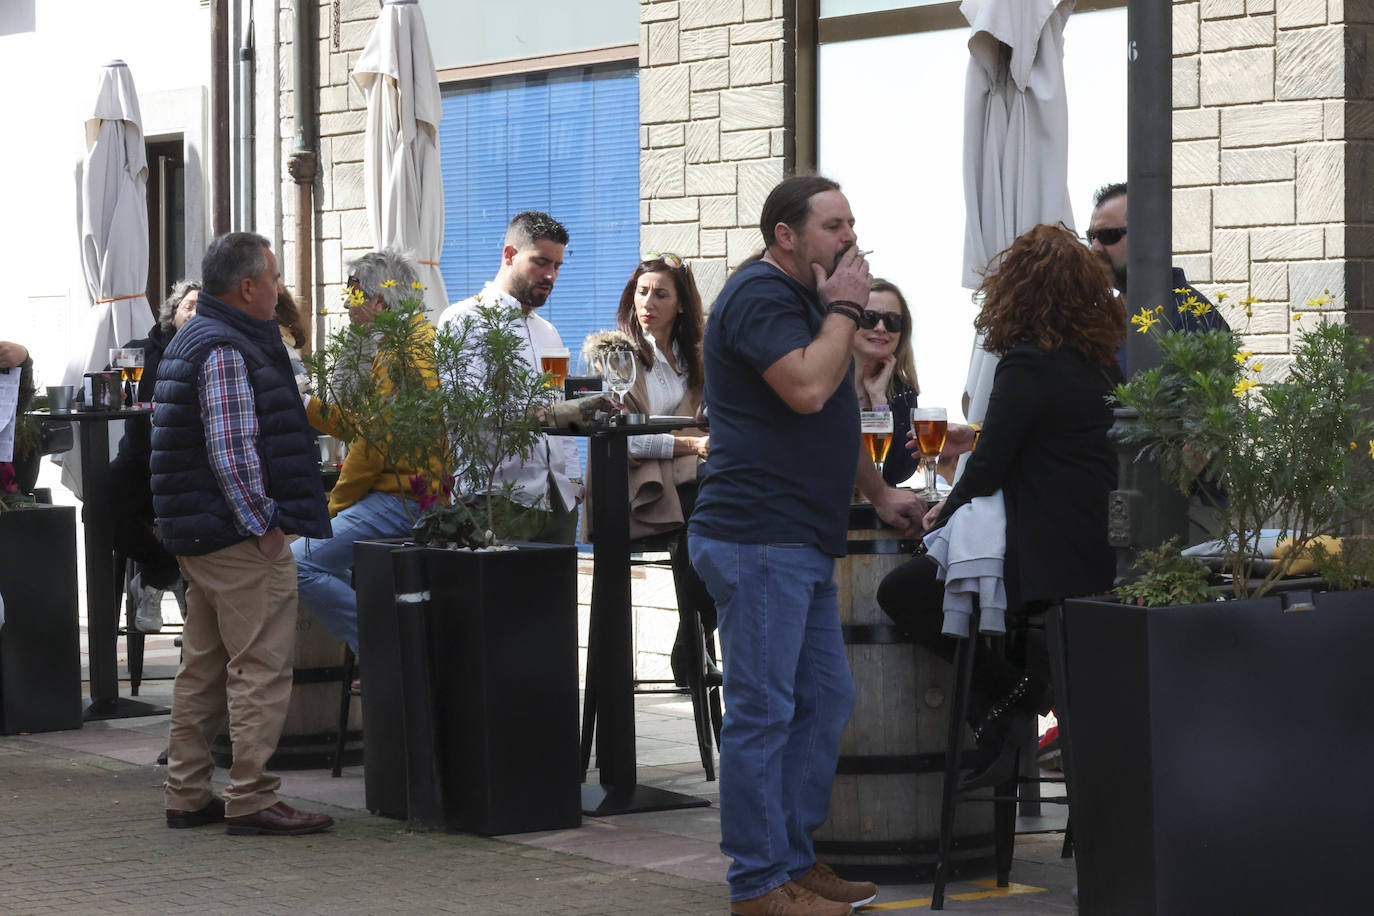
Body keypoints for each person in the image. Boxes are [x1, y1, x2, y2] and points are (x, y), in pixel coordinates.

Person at [688, 175, 925, 916]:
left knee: (824, 700)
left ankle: (792, 860)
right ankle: (757, 884)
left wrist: (881, 494)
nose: (849, 237)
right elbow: (806, 390)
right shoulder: (761, 296)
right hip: (755, 534)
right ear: (785, 236)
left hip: (796, 540)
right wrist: (847, 312)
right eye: (832, 225)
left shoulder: (809, 305)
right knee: (764, 710)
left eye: (852, 222)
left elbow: (835, 420)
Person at [878, 223, 1125, 789]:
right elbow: (1047, 441)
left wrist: (944, 509)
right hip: (1092, 550)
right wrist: (980, 439)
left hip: (1043, 557)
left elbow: (992, 467)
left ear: (1018, 290)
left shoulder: (1027, 360)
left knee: (904, 591)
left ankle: (1015, 699)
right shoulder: (1098, 362)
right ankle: (1021, 698)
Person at [151, 231, 334, 836]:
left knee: (202, 669)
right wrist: (265, 527)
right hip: (234, 536)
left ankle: (186, 793)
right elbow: (233, 453)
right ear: (248, 286)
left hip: (199, 532)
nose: (281, 289)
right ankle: (252, 797)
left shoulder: (197, 337)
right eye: (274, 279)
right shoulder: (227, 347)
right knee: (259, 667)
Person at [293, 249, 438, 655]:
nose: (345, 301)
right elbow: (369, 428)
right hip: (414, 490)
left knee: (294, 565)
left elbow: (374, 445)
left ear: (379, 301)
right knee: (320, 562)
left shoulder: (397, 352)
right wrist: (307, 407)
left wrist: (334, 507)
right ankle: (382, 650)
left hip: (402, 497)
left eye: (353, 293)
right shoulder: (413, 340)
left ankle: (385, 647)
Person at [438, 211, 581, 543]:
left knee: (556, 597)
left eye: (557, 266)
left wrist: (574, 485)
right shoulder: (463, 320)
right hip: (496, 499)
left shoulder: (550, 334)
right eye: (541, 262)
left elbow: (562, 415)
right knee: (499, 596)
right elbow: (469, 409)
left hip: (558, 502)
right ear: (509, 254)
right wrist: (546, 413)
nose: (550, 275)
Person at [608, 253, 716, 687]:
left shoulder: (694, 360)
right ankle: (697, 632)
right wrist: (692, 442)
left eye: (660, 293)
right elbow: (629, 441)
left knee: (724, 503)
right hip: (639, 487)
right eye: (642, 291)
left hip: (688, 481)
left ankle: (695, 631)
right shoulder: (618, 356)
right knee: (713, 504)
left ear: (682, 305)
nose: (647, 301)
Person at [111, 280, 200, 632]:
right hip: (139, 461)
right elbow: (115, 393)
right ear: (173, 311)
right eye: (190, 305)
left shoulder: (215, 354)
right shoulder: (140, 351)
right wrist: (117, 383)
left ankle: (163, 581)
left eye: (205, 308)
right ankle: (165, 572)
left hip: (190, 468)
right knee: (100, 504)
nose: (196, 313)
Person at [1088, 182, 1229, 374]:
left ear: (1148, 237)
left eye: (1108, 235)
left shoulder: (1192, 319)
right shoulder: (1102, 315)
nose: (1095, 248)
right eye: (1092, 237)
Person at [850, 278, 920, 487]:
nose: (881, 328)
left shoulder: (903, 391)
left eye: (892, 321)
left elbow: (897, 471)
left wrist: (879, 401)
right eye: (870, 318)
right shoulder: (822, 381)